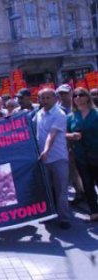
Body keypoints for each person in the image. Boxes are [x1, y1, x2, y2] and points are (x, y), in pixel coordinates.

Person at [34, 88, 71, 229]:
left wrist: (46, 150)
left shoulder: (59, 114)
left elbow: (52, 134)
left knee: (61, 190)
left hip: (57, 158)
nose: (44, 100)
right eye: (42, 98)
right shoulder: (38, 114)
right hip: (43, 159)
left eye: (47, 97)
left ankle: (64, 219)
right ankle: (49, 214)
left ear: (55, 99)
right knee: (46, 190)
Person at [66, 87, 98, 222]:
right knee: (87, 184)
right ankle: (94, 212)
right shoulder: (71, 117)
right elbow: (64, 133)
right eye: (75, 95)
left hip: (96, 153)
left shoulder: (96, 113)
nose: (78, 97)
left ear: (87, 97)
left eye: (81, 94)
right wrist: (71, 135)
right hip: (81, 156)